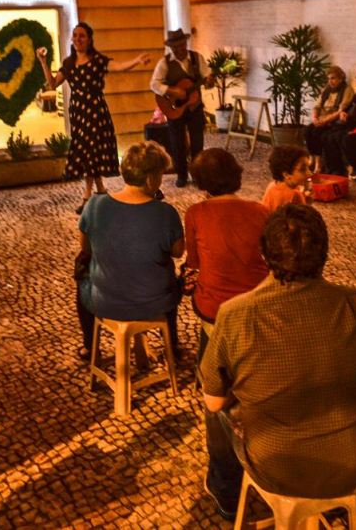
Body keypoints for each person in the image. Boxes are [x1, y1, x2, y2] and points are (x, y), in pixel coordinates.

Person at [199, 204, 356, 519]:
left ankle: (226, 493)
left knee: (215, 411)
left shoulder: (236, 314)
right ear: (324, 253)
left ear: (264, 256)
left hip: (277, 466)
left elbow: (214, 401)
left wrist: (245, 391)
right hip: (355, 461)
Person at [77, 141, 185, 359]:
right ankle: (172, 345)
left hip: (104, 301)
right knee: (172, 277)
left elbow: (85, 247)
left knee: (82, 273)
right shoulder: (166, 213)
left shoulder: (94, 206)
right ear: (150, 179)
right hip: (155, 302)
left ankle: (90, 347)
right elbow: (177, 252)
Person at [36, 22, 151, 213]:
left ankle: (87, 195)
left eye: (82, 35)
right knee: (88, 149)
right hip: (78, 112)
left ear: (89, 40)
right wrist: (43, 62)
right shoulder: (69, 63)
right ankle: (101, 190)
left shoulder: (98, 60)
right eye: (75, 35)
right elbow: (53, 83)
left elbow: (119, 66)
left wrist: (137, 60)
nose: (77, 39)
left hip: (96, 111)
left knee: (91, 149)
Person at [185, 148, 269, 356]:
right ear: (236, 173)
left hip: (213, 306)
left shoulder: (194, 213)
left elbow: (194, 263)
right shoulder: (260, 211)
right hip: (256, 300)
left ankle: (211, 363)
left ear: (200, 182)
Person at [149, 28, 216, 188]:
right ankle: (181, 175)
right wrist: (173, 91)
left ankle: (197, 175)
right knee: (177, 142)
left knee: (197, 142)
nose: (179, 49)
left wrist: (210, 82)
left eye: (181, 45)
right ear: (171, 47)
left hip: (195, 107)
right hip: (174, 108)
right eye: (175, 47)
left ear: (185, 43)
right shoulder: (164, 63)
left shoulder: (197, 58)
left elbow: (207, 77)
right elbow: (154, 84)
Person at [304, 66, 354, 173]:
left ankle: (319, 163)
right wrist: (315, 118)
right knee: (308, 130)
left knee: (317, 132)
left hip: (334, 121)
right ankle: (312, 157)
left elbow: (341, 110)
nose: (330, 81)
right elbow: (317, 106)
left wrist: (325, 121)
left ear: (341, 78)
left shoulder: (347, 90)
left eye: (333, 78)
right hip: (322, 118)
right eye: (329, 78)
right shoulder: (327, 89)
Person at [261, 145, 313, 213]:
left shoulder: (272, 186)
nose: (309, 173)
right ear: (286, 175)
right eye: (303, 169)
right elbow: (305, 217)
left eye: (309, 167)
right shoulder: (296, 195)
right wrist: (308, 204)